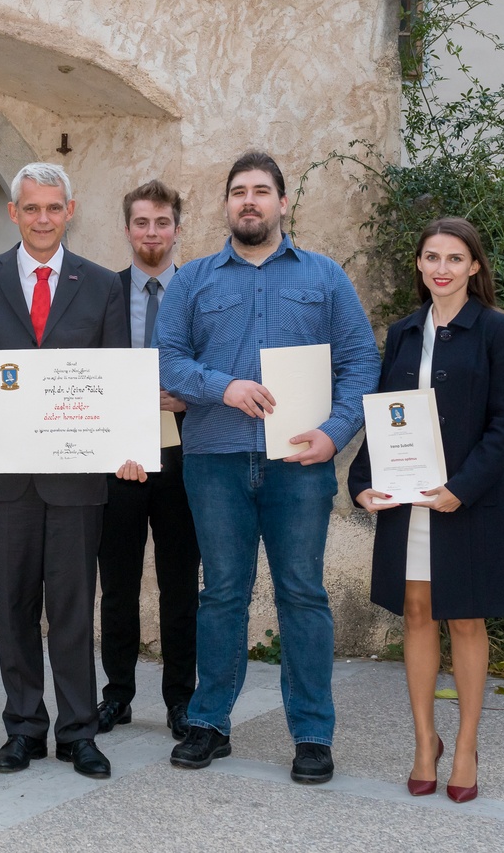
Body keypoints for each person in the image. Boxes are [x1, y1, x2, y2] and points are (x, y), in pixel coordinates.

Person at [157, 151, 378, 785]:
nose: (248, 201)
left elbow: (361, 363)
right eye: (237, 192)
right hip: (215, 459)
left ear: (284, 203)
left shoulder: (325, 277)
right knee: (222, 592)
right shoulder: (195, 280)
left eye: (261, 191)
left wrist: (334, 434)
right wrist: (223, 386)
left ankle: (312, 734)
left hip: (299, 462)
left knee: (302, 594)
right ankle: (209, 723)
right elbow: (166, 360)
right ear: (225, 206)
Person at [0, 162, 145, 780]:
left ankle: (78, 732)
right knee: (12, 607)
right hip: (5, 474)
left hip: (77, 474)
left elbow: (118, 373)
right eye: (30, 208)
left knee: (71, 606)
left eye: (53, 208)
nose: (42, 219)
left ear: (70, 211)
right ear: (14, 213)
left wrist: (128, 445)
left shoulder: (100, 286)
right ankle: (22, 729)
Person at [348, 217, 504, 804]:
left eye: (454, 259)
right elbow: (385, 414)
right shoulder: (402, 332)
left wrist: (463, 486)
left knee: (466, 617)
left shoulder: (501, 332)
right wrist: (361, 481)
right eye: (431, 258)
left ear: (474, 267)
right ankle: (426, 742)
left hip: (466, 502)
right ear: (420, 265)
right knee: (417, 610)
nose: (441, 269)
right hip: (405, 501)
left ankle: (467, 744)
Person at [97, 180, 199, 742]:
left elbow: (221, 363)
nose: (152, 233)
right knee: (116, 582)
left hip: (186, 455)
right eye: (142, 223)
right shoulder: (103, 292)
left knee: (180, 584)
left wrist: (190, 395)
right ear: (128, 229)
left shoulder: (199, 290)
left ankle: (181, 700)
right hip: (118, 457)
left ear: (177, 230)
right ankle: (117, 694)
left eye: (162, 223)